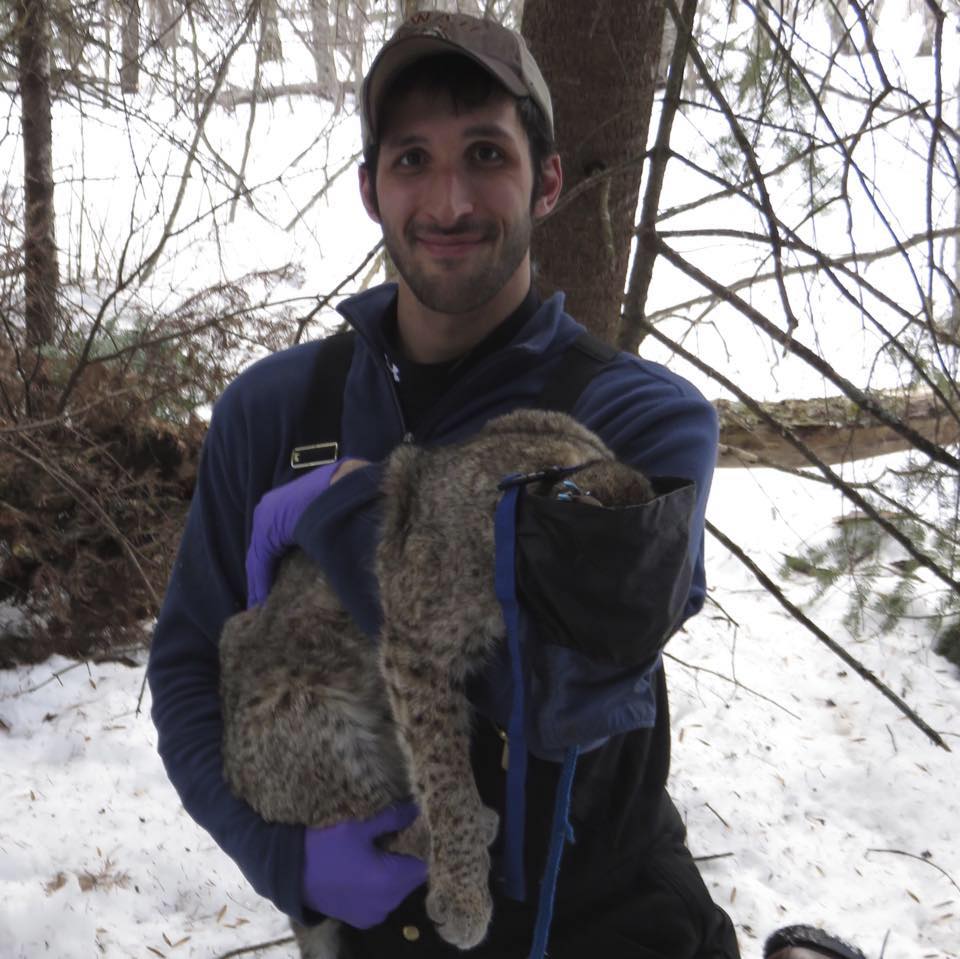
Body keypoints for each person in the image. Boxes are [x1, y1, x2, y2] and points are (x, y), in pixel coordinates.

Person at [147, 13, 867, 959]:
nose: (448, 200)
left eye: (486, 152)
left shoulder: (642, 424)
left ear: (548, 179)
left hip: (601, 923)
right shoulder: (276, 411)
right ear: (371, 189)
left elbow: (559, 687)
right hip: (365, 934)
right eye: (412, 159)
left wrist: (358, 513)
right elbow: (190, 659)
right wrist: (284, 860)